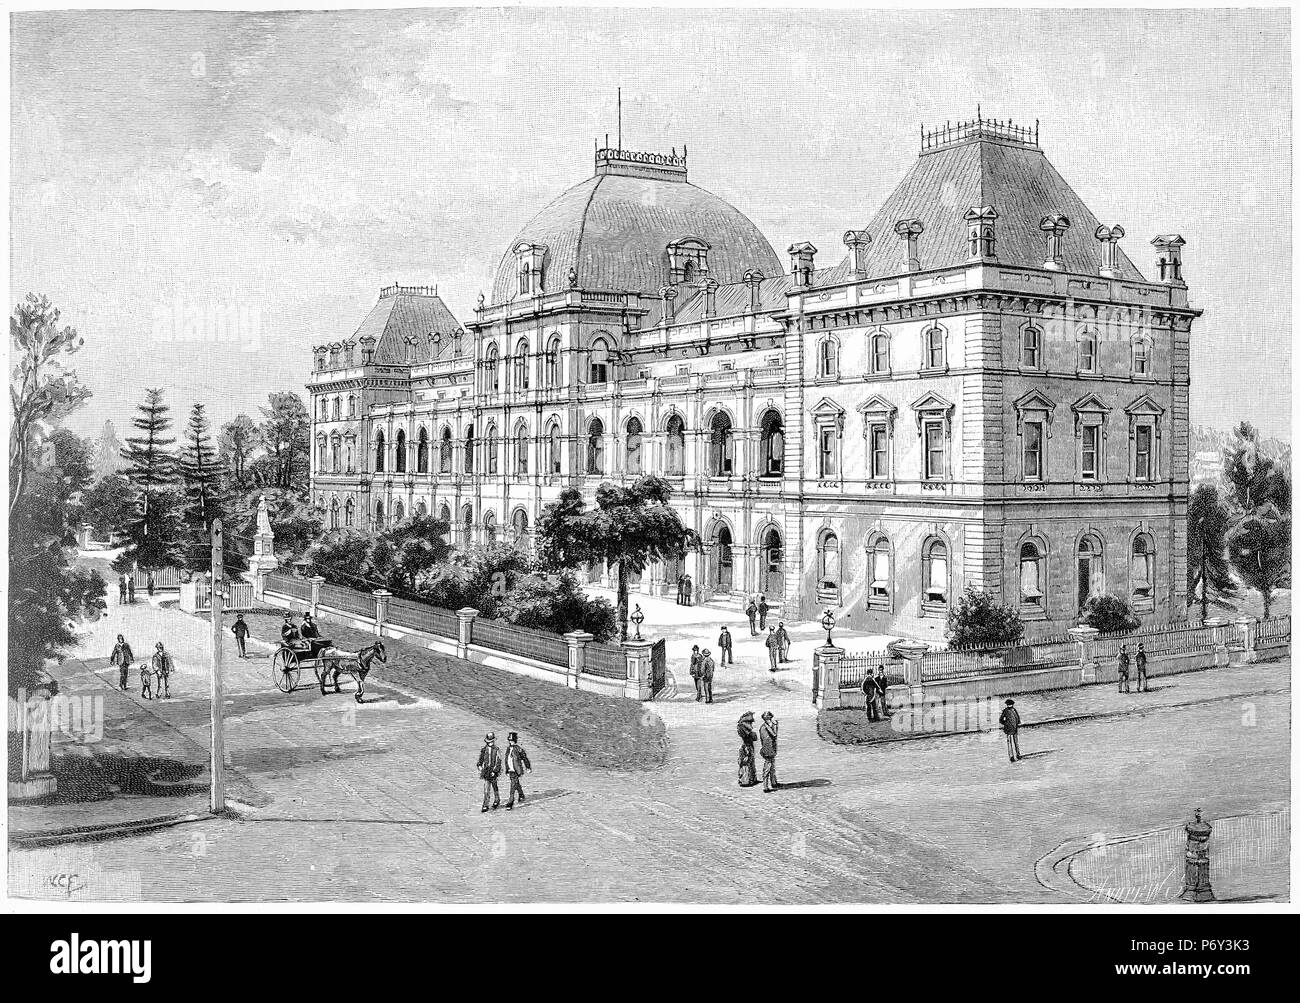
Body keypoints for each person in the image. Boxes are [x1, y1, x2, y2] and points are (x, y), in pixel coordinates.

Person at [504, 731, 532, 810]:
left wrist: (528, 767)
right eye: (509, 740)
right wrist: (507, 769)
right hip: (510, 769)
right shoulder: (508, 749)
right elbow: (507, 760)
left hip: (516, 770)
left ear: (515, 741)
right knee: (516, 783)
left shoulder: (519, 749)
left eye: (512, 740)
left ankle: (510, 801)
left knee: (513, 786)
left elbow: (525, 758)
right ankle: (521, 794)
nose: (510, 742)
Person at [477, 732, 502, 812]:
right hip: (487, 771)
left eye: (491, 741)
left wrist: (495, 771)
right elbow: (481, 759)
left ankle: (497, 800)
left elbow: (498, 761)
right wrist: (479, 766)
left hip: (494, 771)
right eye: (489, 742)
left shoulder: (496, 750)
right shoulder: (484, 750)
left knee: (495, 786)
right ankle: (485, 804)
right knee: (486, 789)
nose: (490, 743)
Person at [737, 711, 759, 787]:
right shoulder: (742, 727)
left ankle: (751, 779)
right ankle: (746, 780)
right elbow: (753, 737)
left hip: (748, 745)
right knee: (747, 762)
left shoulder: (744, 727)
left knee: (750, 762)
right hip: (747, 745)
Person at [759, 711, 779, 792]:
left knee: (771, 767)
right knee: (768, 768)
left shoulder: (765, 726)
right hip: (768, 750)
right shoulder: (765, 727)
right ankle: (765, 786)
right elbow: (774, 735)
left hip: (769, 749)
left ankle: (773, 783)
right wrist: (776, 726)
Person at [999, 698, 1022, 763]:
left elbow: (1000, 720)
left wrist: (1005, 723)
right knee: (1015, 742)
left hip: (1008, 728)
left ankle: (1012, 756)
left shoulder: (1005, 711)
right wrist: (1015, 724)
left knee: (1010, 743)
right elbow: (1018, 719)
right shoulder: (1014, 710)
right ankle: (1018, 755)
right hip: (1014, 728)